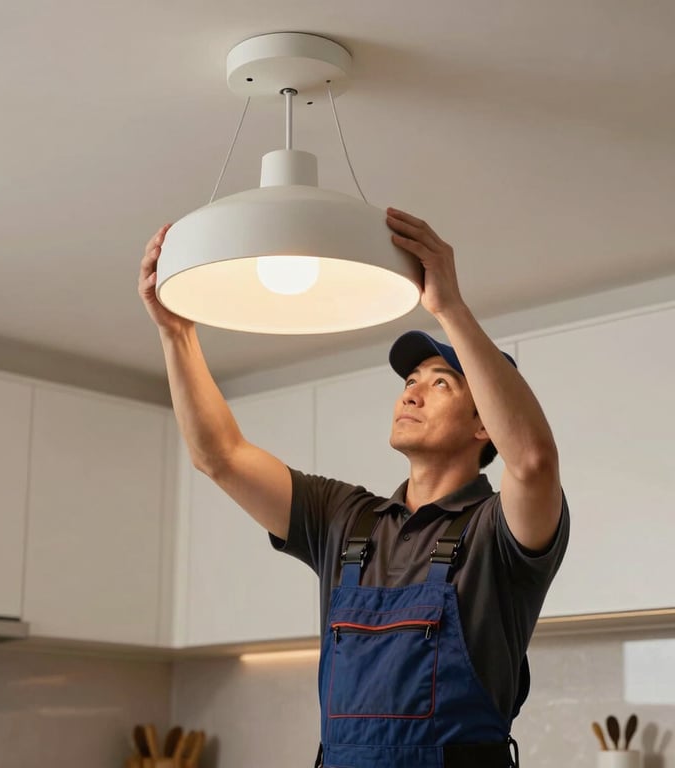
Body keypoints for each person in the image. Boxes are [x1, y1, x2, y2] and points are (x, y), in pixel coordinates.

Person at [138, 208, 569, 768]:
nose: (410, 394)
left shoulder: (499, 532)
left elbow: (533, 461)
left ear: (484, 420)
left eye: (440, 384)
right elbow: (218, 455)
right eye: (409, 381)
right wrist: (176, 333)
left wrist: (449, 307)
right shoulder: (343, 518)